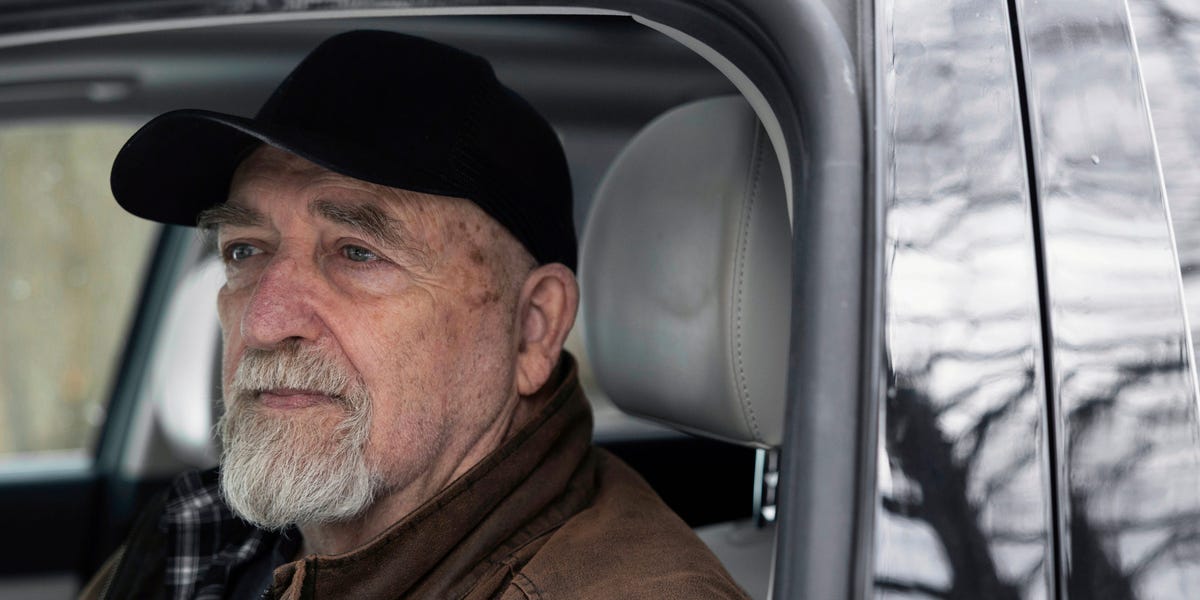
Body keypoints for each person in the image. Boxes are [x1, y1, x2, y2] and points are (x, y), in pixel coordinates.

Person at [81, 29, 750, 599]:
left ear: (534, 328)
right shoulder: (204, 534)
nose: (264, 321)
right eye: (244, 250)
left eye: (358, 253)